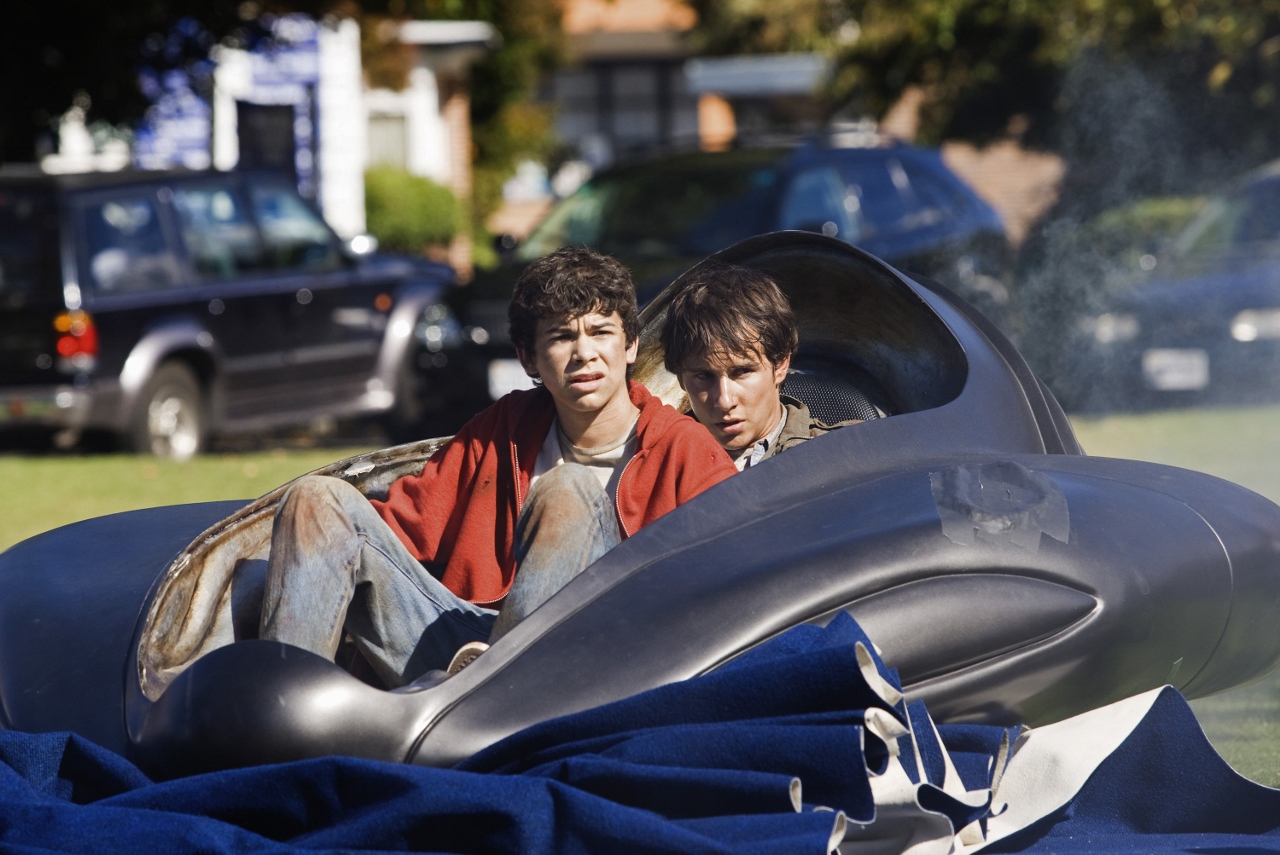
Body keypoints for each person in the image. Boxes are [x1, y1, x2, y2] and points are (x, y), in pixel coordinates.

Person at [259, 247, 737, 686]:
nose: (584, 353)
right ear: (529, 358)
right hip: (466, 656)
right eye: (561, 336)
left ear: (630, 345)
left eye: (600, 332)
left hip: (605, 661)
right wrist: (285, 560)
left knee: (567, 488)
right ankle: (278, 709)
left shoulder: (685, 450)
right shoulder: (501, 429)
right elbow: (403, 528)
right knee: (316, 499)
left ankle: (498, 697)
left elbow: (734, 577)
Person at [660, 263, 860, 469]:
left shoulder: (848, 454)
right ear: (680, 378)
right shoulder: (653, 470)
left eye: (742, 372)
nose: (724, 402)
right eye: (704, 376)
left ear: (780, 364)